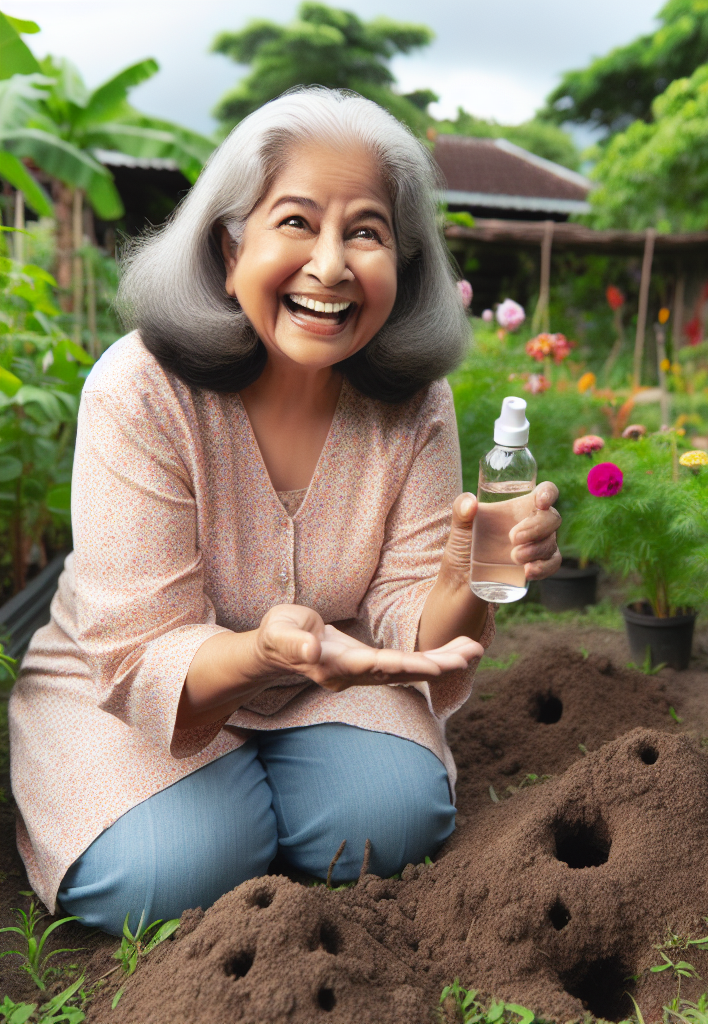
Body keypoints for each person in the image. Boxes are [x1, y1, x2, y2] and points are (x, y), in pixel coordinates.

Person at [8, 87, 561, 935]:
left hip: (329, 678)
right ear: (231, 250)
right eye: (296, 222)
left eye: (366, 231)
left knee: (390, 825)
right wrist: (263, 649)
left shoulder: (414, 403)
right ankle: (195, 808)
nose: (333, 265)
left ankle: (255, 805)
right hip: (131, 684)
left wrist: (467, 574)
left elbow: (413, 619)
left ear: (404, 267)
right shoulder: (143, 389)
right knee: (163, 871)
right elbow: (142, 643)